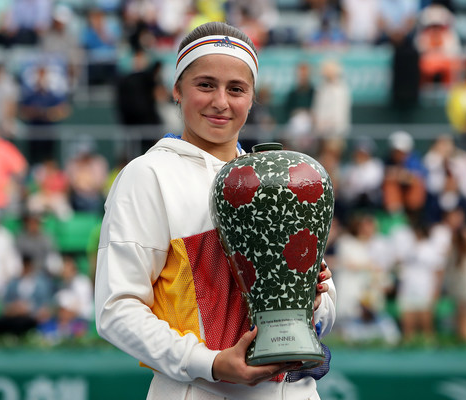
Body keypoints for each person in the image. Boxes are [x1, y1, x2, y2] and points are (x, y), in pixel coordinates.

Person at [95, 22, 336, 399]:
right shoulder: (148, 175)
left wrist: (313, 299)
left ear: (253, 97)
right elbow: (116, 309)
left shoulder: (279, 178)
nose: (221, 101)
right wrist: (208, 362)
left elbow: (326, 310)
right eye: (205, 85)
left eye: (236, 89)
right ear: (176, 89)